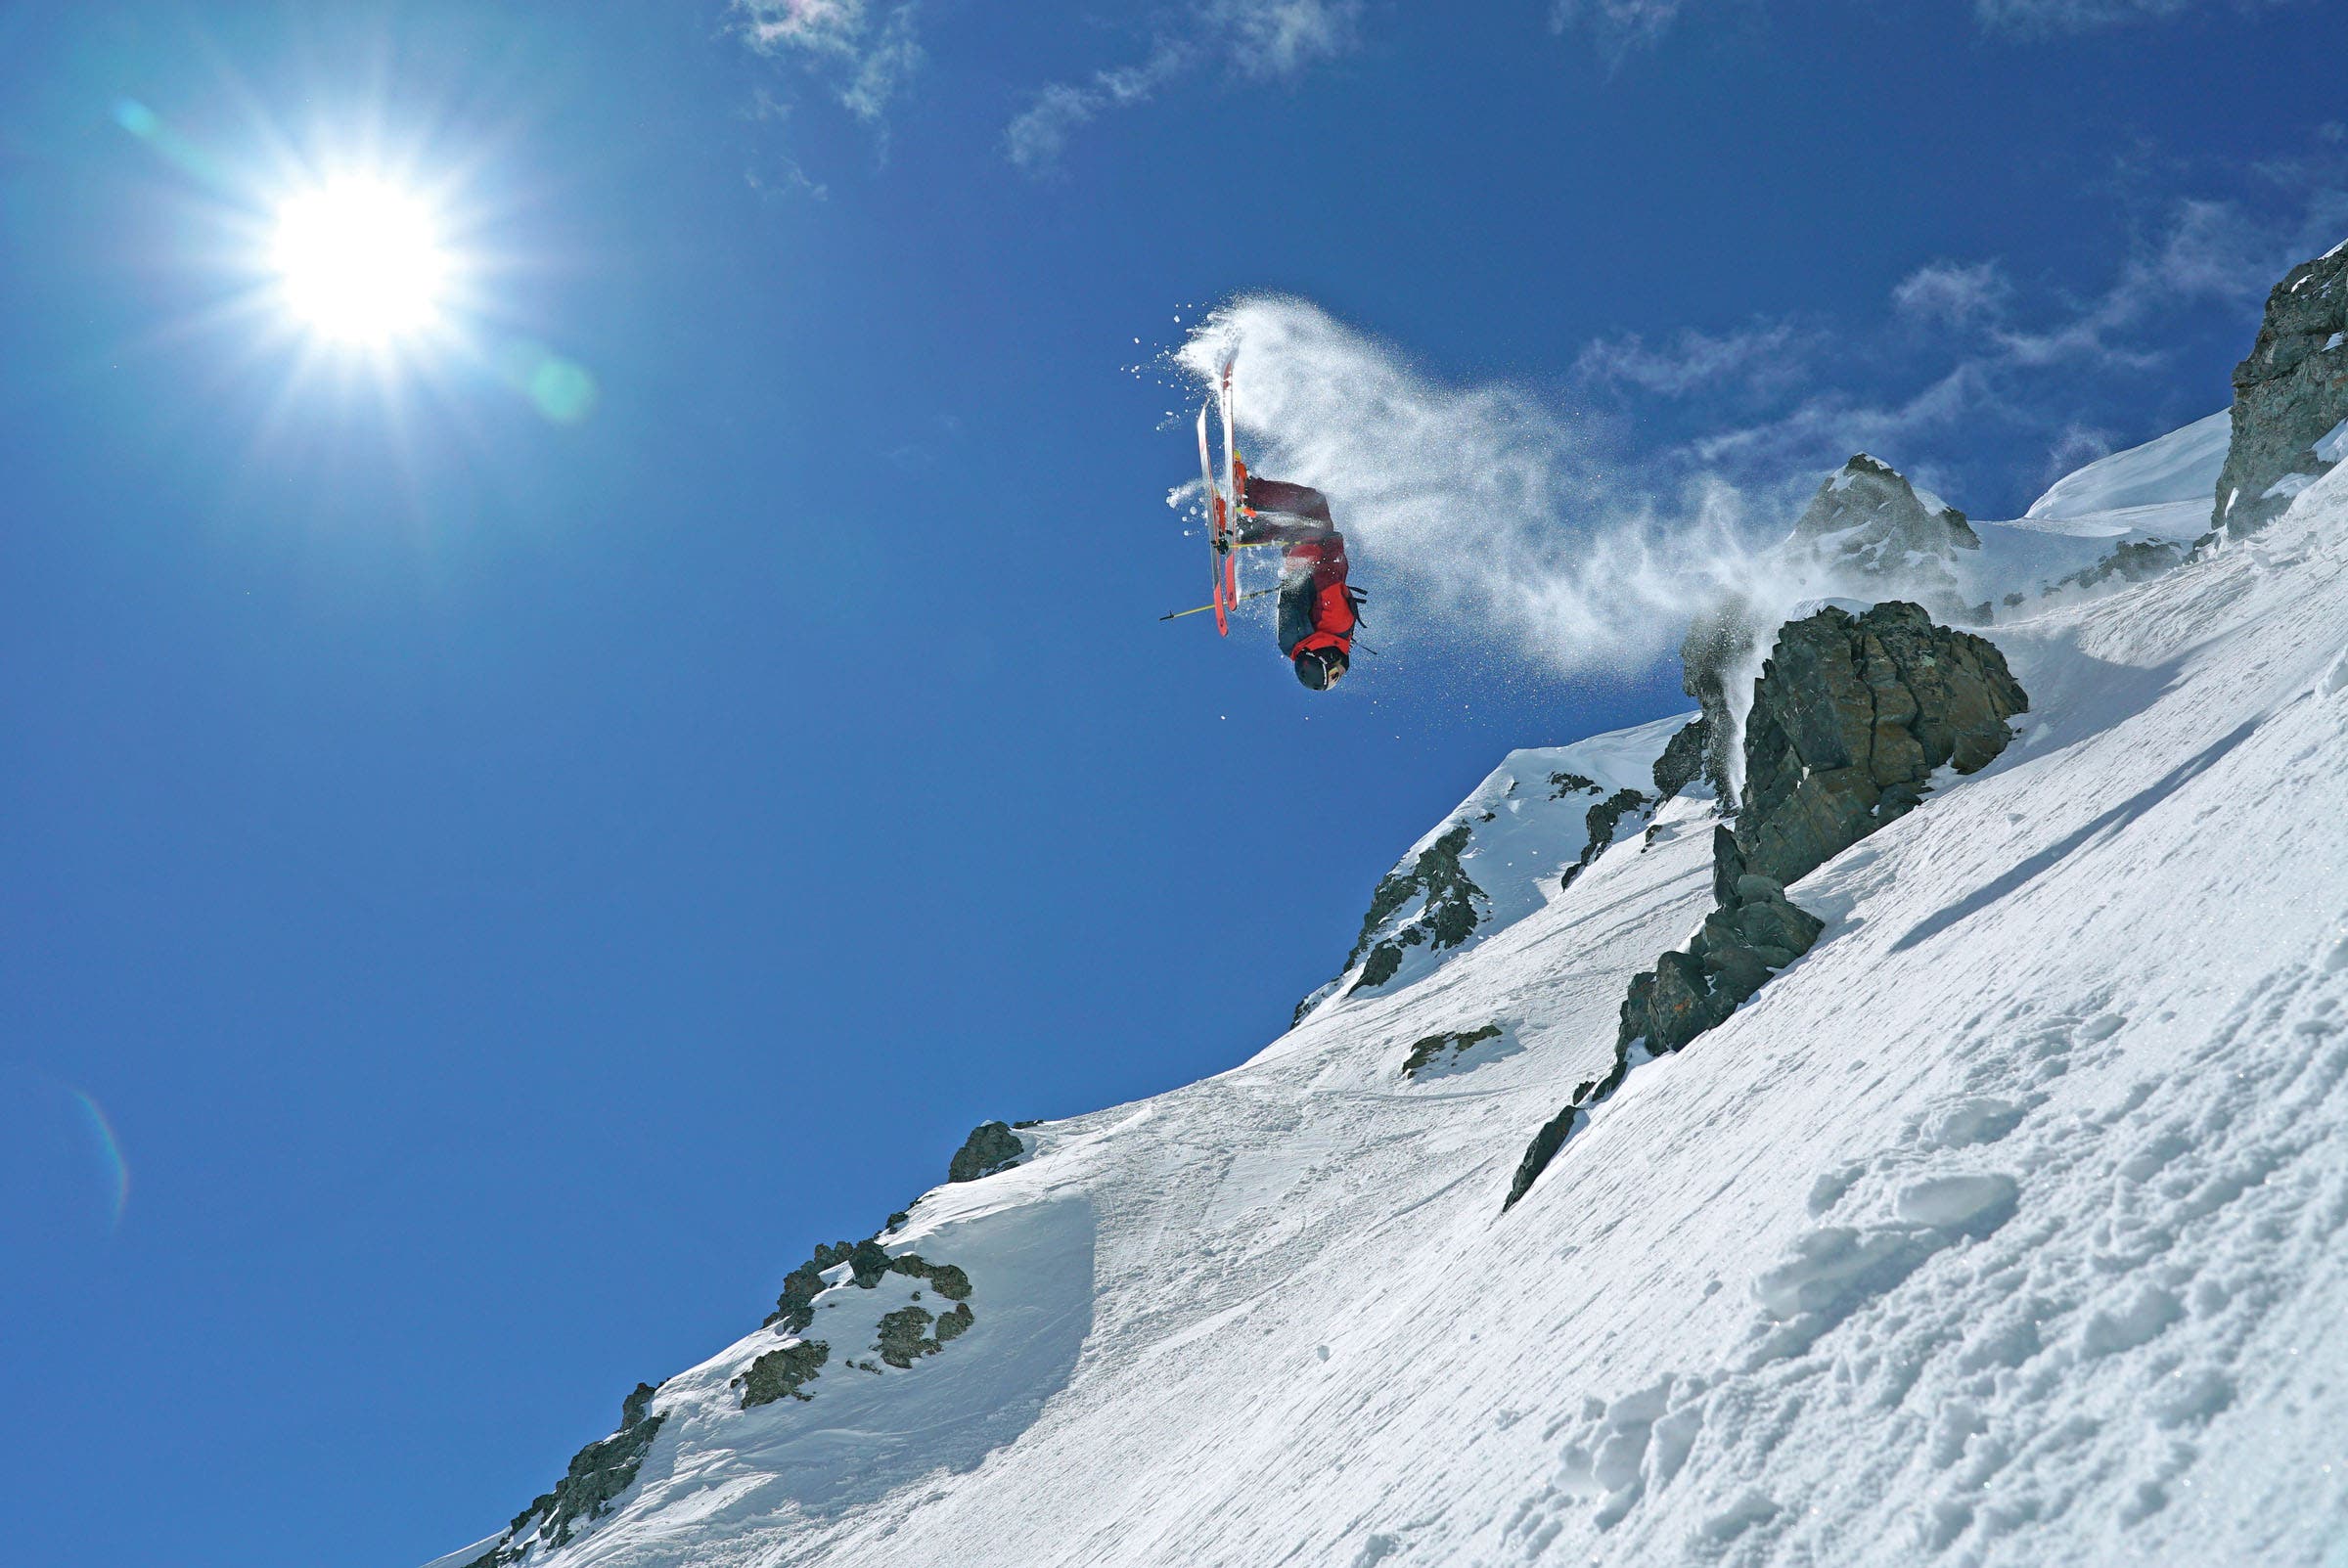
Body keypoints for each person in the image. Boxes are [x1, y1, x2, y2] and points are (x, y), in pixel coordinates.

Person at [1230, 470, 1360, 690]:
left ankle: (1247, 490)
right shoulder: (1301, 643)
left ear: (1327, 662)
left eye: (1336, 674)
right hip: (1304, 558)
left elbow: (1327, 584)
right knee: (1295, 524)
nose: (1343, 671)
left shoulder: (1337, 628)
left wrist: (1322, 551)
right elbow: (1303, 599)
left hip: (1314, 552)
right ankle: (1241, 528)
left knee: (1314, 504)